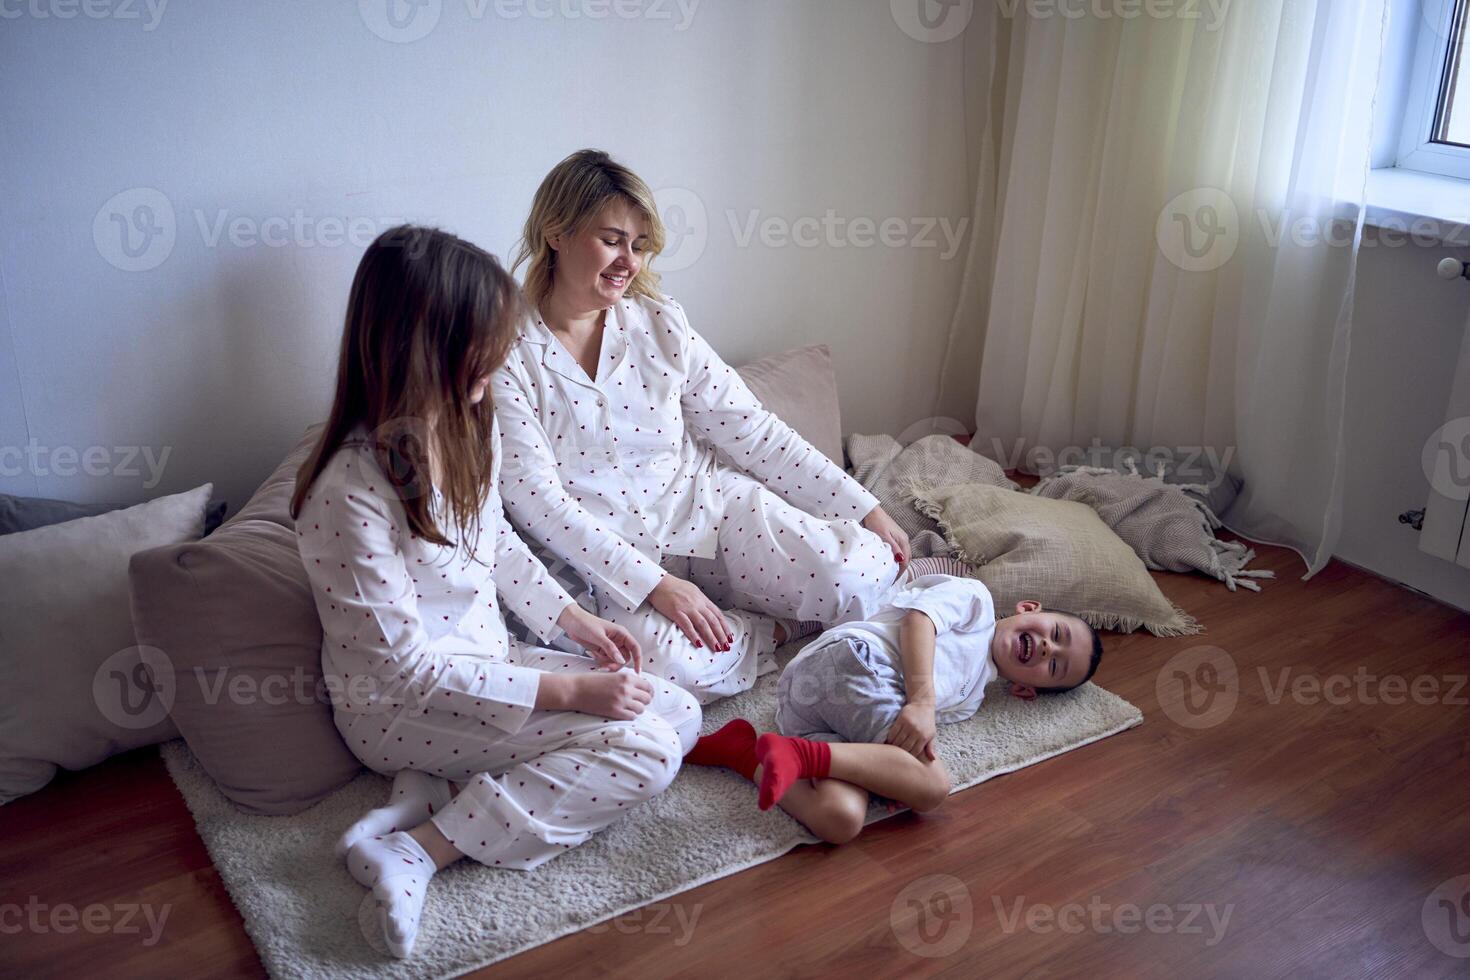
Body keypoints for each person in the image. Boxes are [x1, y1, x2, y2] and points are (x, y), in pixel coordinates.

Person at [291, 225, 701, 958]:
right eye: (481, 345)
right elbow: (404, 672)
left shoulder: (468, 421)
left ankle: (442, 788)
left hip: (489, 662)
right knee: (645, 752)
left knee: (676, 709)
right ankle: (422, 847)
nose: (501, 360)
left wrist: (573, 621)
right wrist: (567, 694)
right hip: (397, 709)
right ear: (422, 349)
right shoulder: (348, 493)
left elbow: (497, 546)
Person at [493, 148, 912, 704]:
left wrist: (864, 507)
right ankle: (777, 629)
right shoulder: (504, 351)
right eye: (613, 240)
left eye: (639, 246)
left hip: (706, 510)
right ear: (556, 232)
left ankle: (763, 620)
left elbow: (752, 431)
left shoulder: (660, 321)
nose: (629, 261)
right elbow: (535, 499)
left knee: (854, 571)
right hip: (611, 564)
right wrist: (658, 586)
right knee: (655, 674)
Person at [685, 564, 1103, 843]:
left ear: (1025, 691)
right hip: (853, 662)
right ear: (1029, 608)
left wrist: (889, 776)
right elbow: (917, 621)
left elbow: (904, 740)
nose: (1048, 648)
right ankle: (797, 753)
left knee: (841, 820)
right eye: (1056, 633)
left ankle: (742, 752)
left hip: (814, 712)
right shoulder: (975, 601)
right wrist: (921, 700)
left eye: (1054, 667)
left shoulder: (970, 700)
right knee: (934, 786)